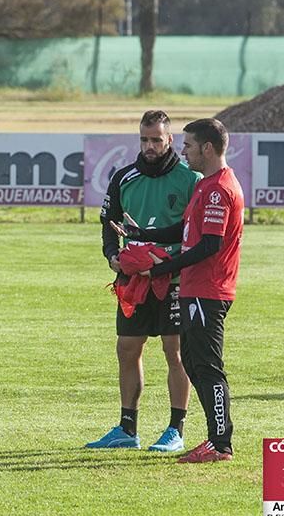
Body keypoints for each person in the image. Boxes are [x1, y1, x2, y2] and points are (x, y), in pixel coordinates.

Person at [112, 118, 244, 463]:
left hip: (208, 291)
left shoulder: (218, 188)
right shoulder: (206, 185)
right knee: (197, 366)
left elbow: (209, 245)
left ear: (208, 148)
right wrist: (144, 235)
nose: (182, 150)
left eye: (187, 145)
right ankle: (215, 440)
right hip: (195, 289)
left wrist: (160, 269)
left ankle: (221, 442)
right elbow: (186, 232)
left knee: (208, 367)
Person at [86, 110, 200, 452]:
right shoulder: (124, 177)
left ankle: (175, 430)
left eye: (156, 139)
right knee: (127, 348)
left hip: (175, 277)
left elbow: (192, 231)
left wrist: (167, 259)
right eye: (144, 139)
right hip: (135, 279)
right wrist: (112, 255)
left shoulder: (189, 179)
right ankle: (127, 428)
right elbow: (109, 220)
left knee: (175, 351)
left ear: (170, 140)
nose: (149, 146)